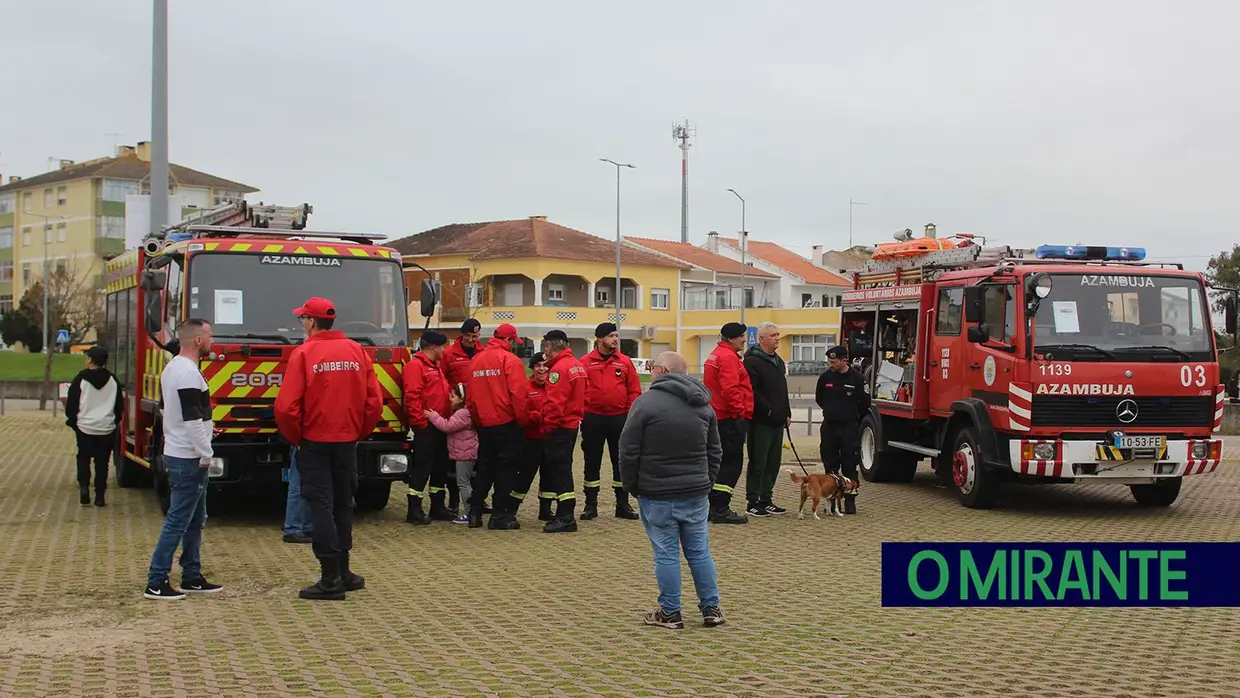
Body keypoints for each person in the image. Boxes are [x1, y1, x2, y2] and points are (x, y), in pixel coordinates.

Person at [275, 297, 383, 600]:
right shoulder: (357, 351)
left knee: (320, 505)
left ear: (310, 322)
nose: (302, 324)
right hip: (347, 441)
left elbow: (286, 407)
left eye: (302, 320)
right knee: (343, 505)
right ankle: (345, 571)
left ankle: (330, 578)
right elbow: (374, 402)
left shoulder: (304, 353)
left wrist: (298, 437)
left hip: (314, 442)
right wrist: (357, 431)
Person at [619, 351, 725, 630]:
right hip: (695, 491)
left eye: (652, 367)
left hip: (656, 492)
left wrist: (632, 486)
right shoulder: (704, 404)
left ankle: (670, 612)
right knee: (700, 552)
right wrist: (706, 481)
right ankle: (711, 608)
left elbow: (628, 451)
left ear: (663, 370)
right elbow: (715, 451)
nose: (651, 372)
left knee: (666, 553)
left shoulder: (645, 404)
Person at [143, 319, 224, 600]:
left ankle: (192, 575)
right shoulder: (189, 374)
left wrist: (207, 430)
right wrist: (207, 452)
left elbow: (180, 413)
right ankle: (156, 580)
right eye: (210, 335)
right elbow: (192, 420)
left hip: (181, 451)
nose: (213, 340)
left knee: (194, 519)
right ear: (198, 341)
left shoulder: (173, 368)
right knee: (179, 520)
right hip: (189, 458)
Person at [464, 323, 530, 530]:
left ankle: (474, 513)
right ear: (509, 340)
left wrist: (478, 422)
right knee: (506, 470)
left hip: (484, 424)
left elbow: (471, 400)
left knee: (484, 468)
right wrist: (523, 422)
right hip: (507, 423)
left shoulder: (475, 361)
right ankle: (499, 515)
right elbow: (519, 396)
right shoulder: (510, 361)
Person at [580, 322, 642, 520]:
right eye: (611, 336)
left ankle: (622, 504)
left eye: (616, 335)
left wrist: (629, 412)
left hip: (619, 419)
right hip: (593, 419)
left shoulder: (624, 361)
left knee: (621, 461)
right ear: (599, 338)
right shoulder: (585, 362)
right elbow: (579, 390)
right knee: (592, 462)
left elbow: (634, 389)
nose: (615, 339)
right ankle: (591, 505)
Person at [534, 330, 587, 533]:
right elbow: (586, 396)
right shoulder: (577, 366)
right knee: (564, 468)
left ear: (548, 346)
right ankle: (564, 513)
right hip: (572, 425)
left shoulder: (558, 370)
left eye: (545, 347)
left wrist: (548, 426)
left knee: (559, 470)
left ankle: (566, 516)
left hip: (559, 427)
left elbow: (555, 404)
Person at [401, 330, 454, 524]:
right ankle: (414, 509)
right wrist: (420, 423)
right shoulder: (416, 366)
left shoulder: (435, 366)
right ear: (433, 347)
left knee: (440, 467)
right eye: (442, 347)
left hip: (440, 424)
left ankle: (437, 506)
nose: (444, 350)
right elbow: (412, 396)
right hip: (427, 426)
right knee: (423, 467)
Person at [703, 322, 753, 523]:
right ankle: (720, 507)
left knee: (717, 462)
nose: (744, 340)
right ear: (731, 338)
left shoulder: (716, 355)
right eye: (741, 336)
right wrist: (739, 413)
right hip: (729, 419)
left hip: (718, 416)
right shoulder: (728, 358)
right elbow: (731, 389)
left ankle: (712, 505)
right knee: (731, 464)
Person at [64, 344, 123, 507]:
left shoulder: (80, 379)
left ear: (91, 360)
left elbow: (72, 404)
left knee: (83, 457)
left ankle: (84, 487)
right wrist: (113, 421)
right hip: (106, 428)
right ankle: (100, 496)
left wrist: (73, 421)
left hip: (85, 427)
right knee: (102, 462)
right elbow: (119, 406)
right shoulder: (113, 380)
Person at [743, 322, 792, 517]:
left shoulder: (778, 362)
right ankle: (753, 500)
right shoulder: (752, 361)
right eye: (772, 335)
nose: (777, 338)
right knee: (759, 461)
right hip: (761, 420)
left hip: (778, 420)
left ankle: (767, 498)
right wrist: (769, 410)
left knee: (773, 462)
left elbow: (782, 389)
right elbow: (752, 391)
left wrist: (786, 412)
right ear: (761, 338)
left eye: (778, 334)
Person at [815, 345, 870, 515]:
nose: (831, 364)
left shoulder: (857, 379)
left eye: (834, 361)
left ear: (844, 360)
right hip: (830, 426)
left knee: (849, 464)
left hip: (849, 427)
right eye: (829, 361)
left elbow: (864, 402)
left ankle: (850, 501)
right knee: (830, 465)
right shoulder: (825, 378)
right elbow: (820, 399)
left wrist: (850, 415)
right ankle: (831, 502)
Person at [441, 318, 484, 512]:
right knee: (454, 459)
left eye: (475, 336)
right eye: (468, 336)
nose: (471, 339)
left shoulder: (484, 353)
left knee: (476, 459)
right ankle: (453, 501)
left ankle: (477, 499)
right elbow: (441, 380)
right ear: (461, 335)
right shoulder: (449, 354)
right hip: (457, 413)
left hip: (478, 413)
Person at [511, 353, 555, 522]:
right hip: (531, 439)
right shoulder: (526, 388)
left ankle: (545, 509)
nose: (542, 369)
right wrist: (536, 416)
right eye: (538, 365)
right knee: (524, 476)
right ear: (532, 369)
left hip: (550, 438)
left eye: (545, 365)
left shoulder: (554, 386)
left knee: (549, 476)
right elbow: (521, 411)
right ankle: (512, 508)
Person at [425, 387, 479, 525]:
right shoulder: (464, 412)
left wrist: (433, 416)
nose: (450, 399)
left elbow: (447, 426)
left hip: (465, 455)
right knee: (464, 482)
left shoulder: (462, 413)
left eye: (454, 396)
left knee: (463, 483)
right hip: (465, 453)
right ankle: (472, 510)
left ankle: (470, 512)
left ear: (462, 399)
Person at [282, 446, 313, 544]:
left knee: (309, 485)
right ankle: (293, 529)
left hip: (310, 443)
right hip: (304, 443)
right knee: (298, 485)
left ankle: (306, 527)